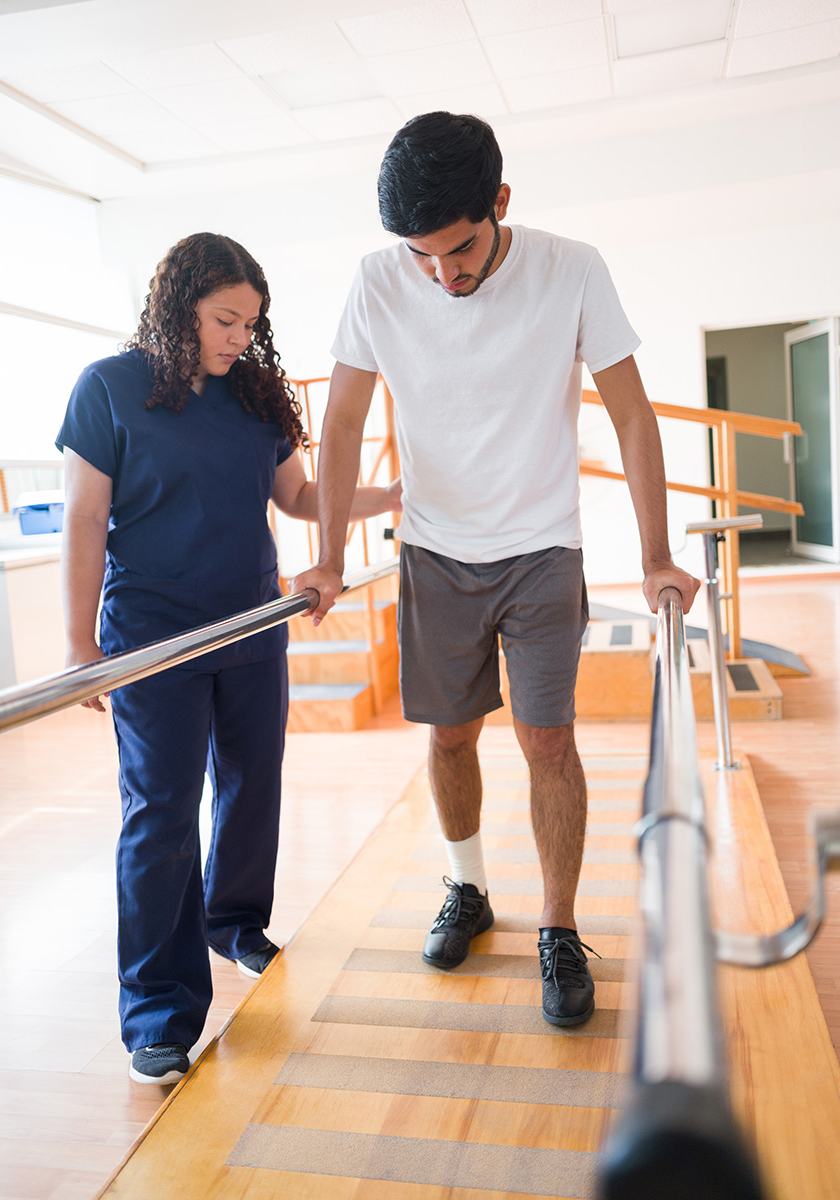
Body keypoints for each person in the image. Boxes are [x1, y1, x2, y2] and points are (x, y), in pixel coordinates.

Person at [291, 113, 699, 1029]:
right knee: (447, 738)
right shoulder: (377, 281)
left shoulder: (573, 268)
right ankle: (468, 889)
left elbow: (633, 416)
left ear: (501, 204)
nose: (444, 274)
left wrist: (656, 555)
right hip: (435, 553)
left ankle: (557, 926)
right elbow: (347, 420)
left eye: (460, 249)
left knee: (546, 741)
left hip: (543, 548)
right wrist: (324, 556)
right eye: (422, 256)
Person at [57, 232, 400, 1085]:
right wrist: (78, 644)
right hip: (154, 640)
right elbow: (83, 520)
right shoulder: (109, 389)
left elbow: (302, 496)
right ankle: (158, 1013)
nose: (239, 337)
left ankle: (235, 922)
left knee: (254, 782)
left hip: (251, 626)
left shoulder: (252, 396)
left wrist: (393, 493)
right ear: (180, 308)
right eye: (224, 319)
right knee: (161, 815)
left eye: (250, 323)